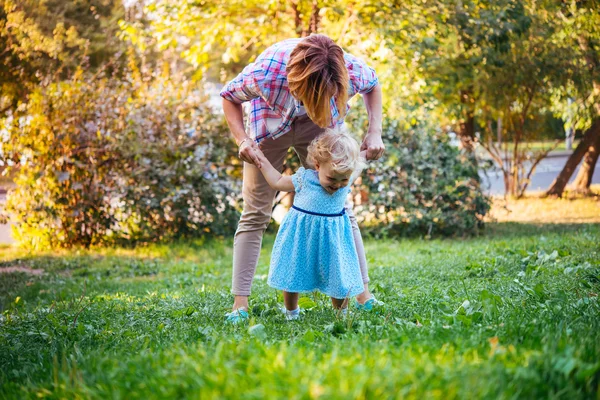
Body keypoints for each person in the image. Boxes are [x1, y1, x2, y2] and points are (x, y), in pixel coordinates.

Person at [220, 34, 384, 323]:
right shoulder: (267, 72)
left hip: (317, 126)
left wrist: (375, 131)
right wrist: (242, 140)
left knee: (341, 209)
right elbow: (229, 97)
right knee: (256, 213)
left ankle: (363, 295)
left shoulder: (349, 69)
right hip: (269, 127)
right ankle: (239, 305)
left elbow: (373, 85)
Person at [255, 129, 366, 319]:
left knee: (338, 276)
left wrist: (370, 144)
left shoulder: (346, 176)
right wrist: (261, 160)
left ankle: (342, 314)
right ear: (317, 165)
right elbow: (277, 181)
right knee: (293, 272)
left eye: (344, 179)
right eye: (332, 178)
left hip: (333, 239)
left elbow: (362, 160)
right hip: (301, 236)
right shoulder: (304, 179)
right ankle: (292, 311)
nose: (338, 184)